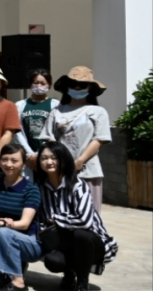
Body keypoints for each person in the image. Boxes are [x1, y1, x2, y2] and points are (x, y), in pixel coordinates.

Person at [34, 142, 119, 291]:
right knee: (52, 261)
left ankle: (82, 285)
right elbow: (41, 220)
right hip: (64, 242)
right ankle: (69, 273)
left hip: (92, 243)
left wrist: (57, 219)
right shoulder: (39, 188)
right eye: (43, 158)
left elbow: (85, 222)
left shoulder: (78, 185)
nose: (49, 162)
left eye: (54, 157)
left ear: (63, 160)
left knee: (81, 234)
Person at [40, 66, 112, 213]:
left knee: (89, 214)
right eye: (73, 84)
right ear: (67, 87)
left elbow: (99, 139)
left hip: (88, 171)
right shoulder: (57, 111)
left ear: (90, 87)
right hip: (60, 171)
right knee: (61, 212)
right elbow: (49, 138)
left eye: (82, 84)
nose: (77, 87)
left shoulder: (98, 111)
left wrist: (80, 161)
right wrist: (58, 162)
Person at [0, 143, 42, 291]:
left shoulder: (31, 189)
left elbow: (25, 224)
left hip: (28, 241)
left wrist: (2, 224)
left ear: (23, 164)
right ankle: (17, 266)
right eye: (5, 159)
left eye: (14, 160)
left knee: (3, 233)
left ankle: (18, 283)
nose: (8, 164)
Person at [14, 69, 59, 175]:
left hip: (49, 154)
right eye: (36, 83)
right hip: (27, 156)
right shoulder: (20, 105)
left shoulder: (56, 105)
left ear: (49, 85)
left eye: (43, 83)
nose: (39, 86)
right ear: (30, 84)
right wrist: (30, 154)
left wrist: (40, 153)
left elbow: (56, 131)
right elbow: (17, 131)